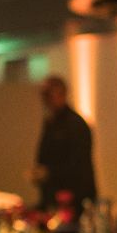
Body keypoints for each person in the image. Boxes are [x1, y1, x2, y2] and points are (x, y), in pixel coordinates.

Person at [32, 75, 96, 212]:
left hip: (74, 199)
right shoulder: (51, 122)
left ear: (62, 94)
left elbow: (78, 165)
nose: (45, 100)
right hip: (55, 196)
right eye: (43, 95)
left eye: (48, 95)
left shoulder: (75, 124)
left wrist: (48, 172)